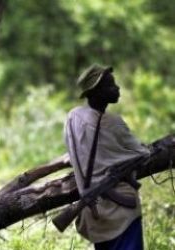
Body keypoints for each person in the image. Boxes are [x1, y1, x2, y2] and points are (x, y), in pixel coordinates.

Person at [64, 64, 150, 250]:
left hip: (94, 214)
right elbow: (144, 154)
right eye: (110, 85)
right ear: (96, 92)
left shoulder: (73, 117)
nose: (117, 88)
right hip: (120, 213)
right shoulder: (113, 123)